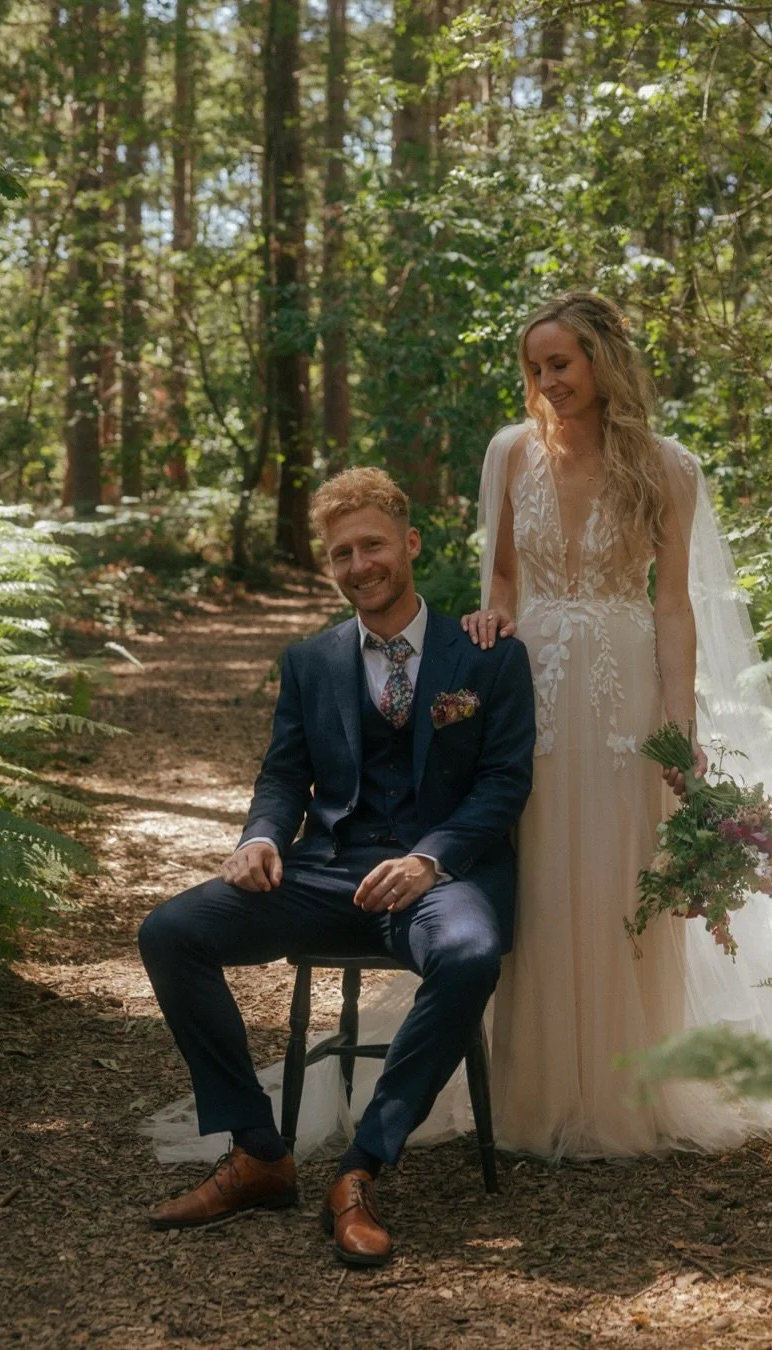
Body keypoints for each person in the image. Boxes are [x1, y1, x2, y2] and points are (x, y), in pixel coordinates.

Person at [460, 290, 772, 1160]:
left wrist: (679, 726)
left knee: (624, 873)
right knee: (540, 866)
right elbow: (504, 582)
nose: (546, 381)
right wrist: (492, 621)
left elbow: (673, 608)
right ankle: (529, 1087)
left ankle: (626, 1087)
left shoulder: (668, 467)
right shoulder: (509, 454)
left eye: (561, 362)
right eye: (534, 368)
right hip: (534, 687)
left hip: (628, 688)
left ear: (601, 359)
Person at [137, 467, 535, 1264]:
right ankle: (259, 1151)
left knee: (467, 956)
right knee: (171, 931)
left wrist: (429, 858)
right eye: (341, 553)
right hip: (331, 871)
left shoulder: (487, 655)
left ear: (410, 544)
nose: (359, 565)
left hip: (443, 878)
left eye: (373, 546)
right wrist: (259, 837)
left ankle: (361, 1168)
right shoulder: (312, 660)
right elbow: (284, 776)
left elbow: (504, 785)